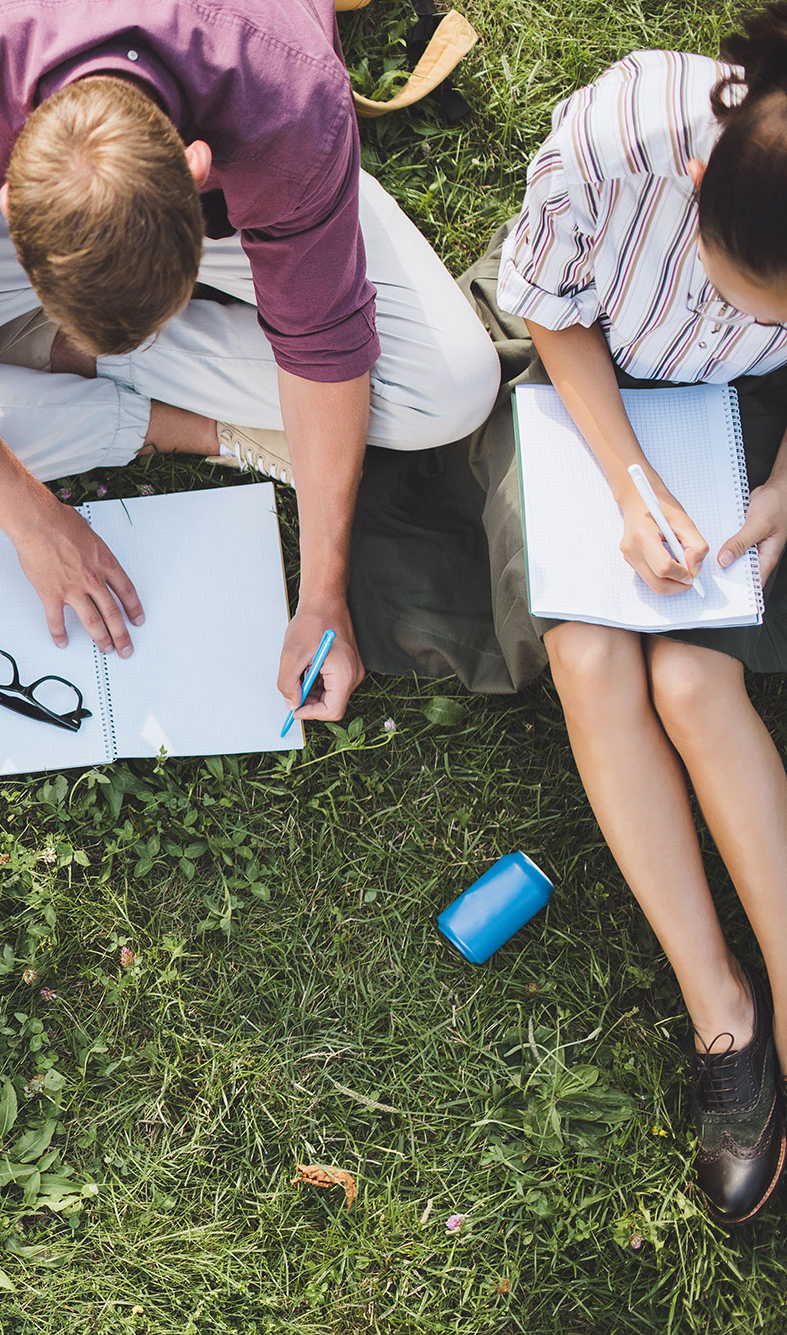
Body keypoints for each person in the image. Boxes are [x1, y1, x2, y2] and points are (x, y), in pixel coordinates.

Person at [0, 0, 499, 725]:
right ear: (6, 195)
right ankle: (142, 399)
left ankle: (44, 355)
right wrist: (32, 520)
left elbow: (326, 342)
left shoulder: (292, 99)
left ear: (196, 168)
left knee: (451, 390)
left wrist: (321, 596)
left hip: (253, 149)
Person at [493, 5, 787, 1224]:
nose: (753, 315)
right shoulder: (616, 136)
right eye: (744, 290)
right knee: (591, 656)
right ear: (698, 181)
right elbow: (548, 309)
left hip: (754, 431)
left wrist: (782, 489)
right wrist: (626, 480)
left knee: (692, 682)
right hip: (596, 392)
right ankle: (720, 1014)